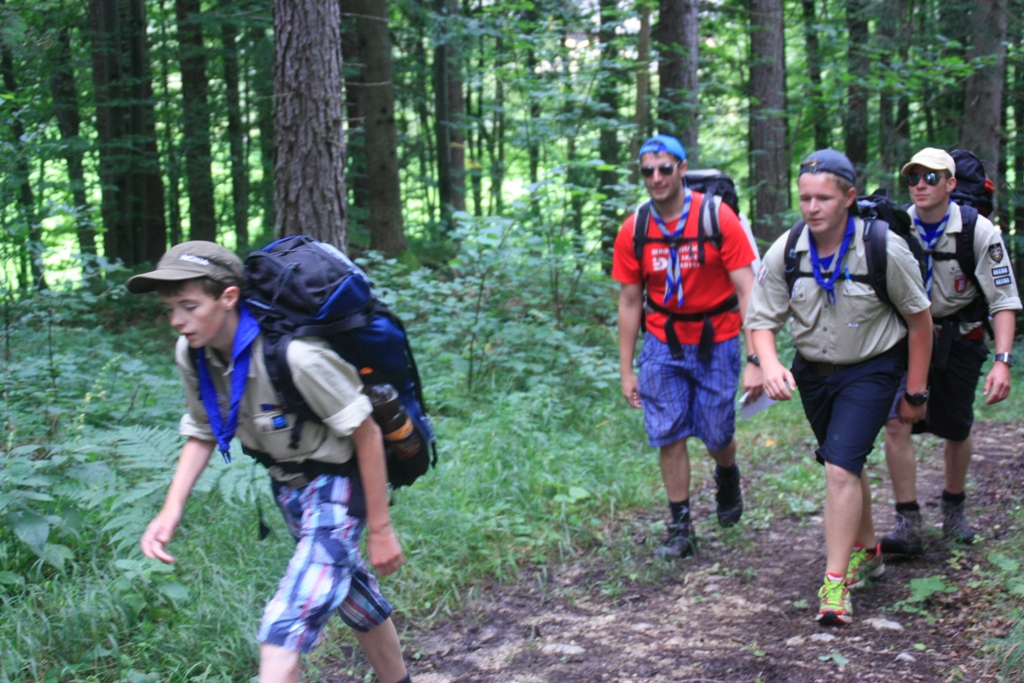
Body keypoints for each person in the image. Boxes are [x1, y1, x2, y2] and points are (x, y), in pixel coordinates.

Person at [127, 241, 412, 683]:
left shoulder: (296, 357)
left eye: (189, 306)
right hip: (289, 488)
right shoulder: (193, 354)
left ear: (228, 297)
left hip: (338, 485)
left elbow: (367, 433)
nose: (177, 321)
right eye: (170, 309)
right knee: (357, 602)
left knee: (283, 629)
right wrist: (171, 509)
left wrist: (380, 529)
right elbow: (202, 430)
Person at [747, 149, 933, 626]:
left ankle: (834, 586)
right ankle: (869, 552)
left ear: (849, 197)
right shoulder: (787, 249)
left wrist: (915, 392)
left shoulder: (883, 247)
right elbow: (761, 321)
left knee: (839, 467)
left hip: (872, 370)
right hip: (814, 374)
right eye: (805, 198)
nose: (812, 208)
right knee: (844, 463)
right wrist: (769, 364)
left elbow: (920, 322)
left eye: (824, 198)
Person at [612, 134, 761, 560]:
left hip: (717, 339)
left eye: (665, 169)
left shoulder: (717, 217)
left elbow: (747, 289)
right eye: (648, 171)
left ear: (681, 169)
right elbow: (629, 301)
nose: (656, 178)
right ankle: (680, 526)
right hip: (662, 341)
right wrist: (626, 370)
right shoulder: (635, 228)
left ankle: (727, 472)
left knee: (717, 431)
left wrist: (755, 357)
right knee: (669, 432)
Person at [880, 148, 1020, 554]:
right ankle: (908, 521)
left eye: (931, 177)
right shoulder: (896, 227)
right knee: (897, 421)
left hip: (960, 338)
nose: (921, 185)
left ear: (951, 183)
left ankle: (954, 507)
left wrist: (1003, 361)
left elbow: (1004, 300)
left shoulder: (979, 231)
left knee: (956, 426)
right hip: (907, 338)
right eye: (913, 178)